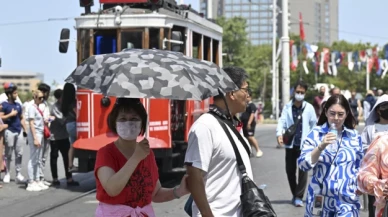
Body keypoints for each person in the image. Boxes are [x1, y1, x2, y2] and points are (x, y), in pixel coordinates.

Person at [94, 98, 189, 216]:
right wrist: (135, 158)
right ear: (114, 122)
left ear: (142, 123)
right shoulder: (106, 153)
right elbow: (112, 189)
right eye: (123, 119)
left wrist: (179, 191)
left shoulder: (147, 154)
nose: (128, 123)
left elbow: (155, 193)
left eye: (134, 119)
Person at [185, 66, 253, 217]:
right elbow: (194, 176)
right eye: (245, 90)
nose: (248, 96)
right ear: (231, 93)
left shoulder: (234, 124)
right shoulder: (205, 126)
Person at [298, 94, 363, 216]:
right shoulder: (316, 134)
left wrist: (359, 186)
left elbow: (360, 166)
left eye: (340, 114)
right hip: (321, 198)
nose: (336, 118)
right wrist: (320, 147)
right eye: (332, 113)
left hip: (347, 200)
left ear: (347, 113)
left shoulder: (354, 137)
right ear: (326, 112)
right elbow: (303, 165)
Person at [276, 80, 317, 207]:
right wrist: (279, 134)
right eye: (298, 92)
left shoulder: (309, 108)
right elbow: (282, 121)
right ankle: (295, 193)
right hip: (290, 143)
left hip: (304, 145)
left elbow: (313, 125)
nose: (299, 94)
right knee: (289, 170)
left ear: (305, 93)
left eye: (302, 92)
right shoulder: (288, 107)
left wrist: (311, 139)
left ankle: (299, 196)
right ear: (294, 91)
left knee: (303, 171)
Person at [358, 94, 388, 217]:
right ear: (378, 110)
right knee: (374, 209)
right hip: (374, 178)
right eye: (385, 107)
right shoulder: (370, 128)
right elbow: (363, 148)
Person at [49, 89, 79, 187]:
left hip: (64, 135)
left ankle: (69, 178)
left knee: (66, 157)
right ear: (59, 98)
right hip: (55, 136)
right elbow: (63, 120)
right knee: (54, 158)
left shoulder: (65, 105)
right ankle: (55, 179)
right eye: (63, 97)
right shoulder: (55, 107)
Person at [0, 83, 27, 184]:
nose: (17, 94)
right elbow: (1, 116)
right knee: (8, 154)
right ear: (10, 94)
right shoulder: (4, 105)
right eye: (15, 93)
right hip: (9, 131)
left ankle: (18, 174)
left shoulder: (18, 105)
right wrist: (10, 115)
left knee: (19, 153)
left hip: (18, 131)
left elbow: (21, 118)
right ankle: (7, 173)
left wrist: (25, 130)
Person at [26, 90, 50, 191]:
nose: (42, 99)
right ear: (35, 97)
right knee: (33, 158)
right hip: (35, 134)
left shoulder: (37, 107)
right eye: (40, 98)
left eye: (42, 98)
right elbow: (31, 124)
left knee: (38, 158)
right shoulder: (32, 108)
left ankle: (37, 179)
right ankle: (31, 181)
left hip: (40, 133)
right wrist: (35, 138)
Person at [61, 83, 78, 172]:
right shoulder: (73, 102)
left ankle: (70, 165)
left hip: (68, 124)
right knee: (78, 143)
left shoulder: (65, 102)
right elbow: (77, 114)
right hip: (74, 124)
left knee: (72, 145)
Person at [240, 90, 262, 157]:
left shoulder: (252, 105)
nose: (246, 98)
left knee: (250, 137)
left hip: (250, 124)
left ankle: (258, 150)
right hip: (244, 123)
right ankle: (249, 151)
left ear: (250, 97)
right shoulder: (245, 105)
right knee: (246, 137)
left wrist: (249, 123)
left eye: (248, 96)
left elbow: (252, 115)